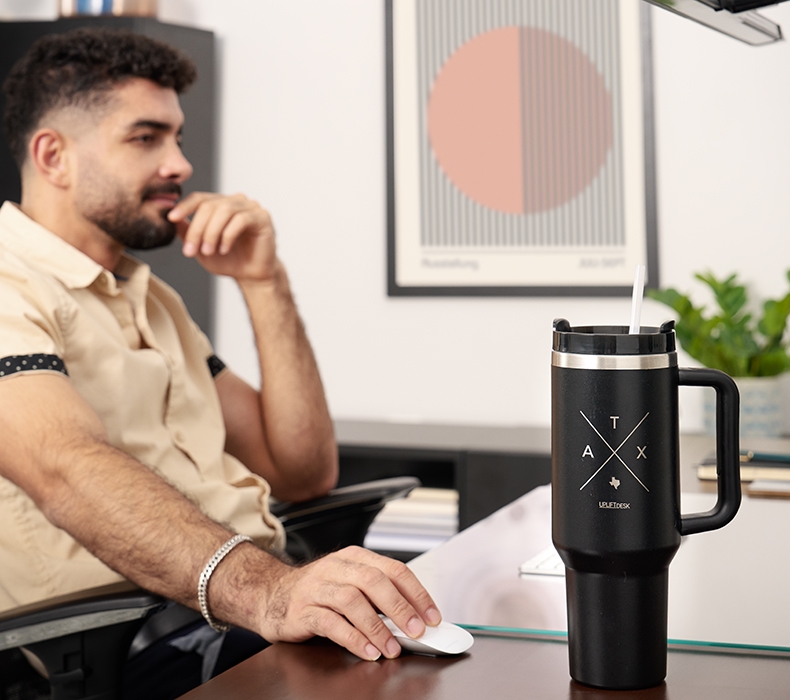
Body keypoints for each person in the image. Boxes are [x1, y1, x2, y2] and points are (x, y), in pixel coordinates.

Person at [0, 26, 440, 697]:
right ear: (53, 156)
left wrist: (265, 282)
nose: (180, 164)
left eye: (177, 137)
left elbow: (302, 469)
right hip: (129, 642)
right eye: (146, 138)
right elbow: (66, 467)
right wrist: (269, 593)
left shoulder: (151, 297)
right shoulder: (10, 285)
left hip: (231, 609)